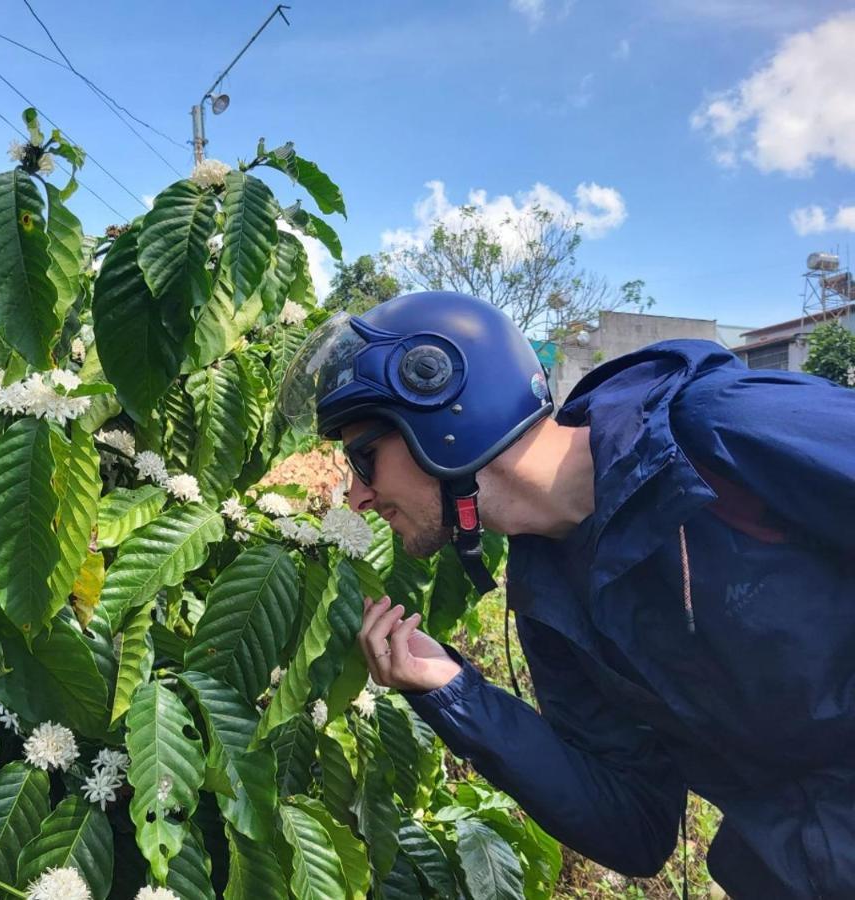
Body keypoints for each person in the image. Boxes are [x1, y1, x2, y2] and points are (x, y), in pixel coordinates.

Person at [278, 291, 855, 899]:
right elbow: (635, 826)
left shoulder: (721, 429)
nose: (356, 498)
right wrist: (454, 690)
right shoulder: (550, 604)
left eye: (364, 458)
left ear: (442, 409)